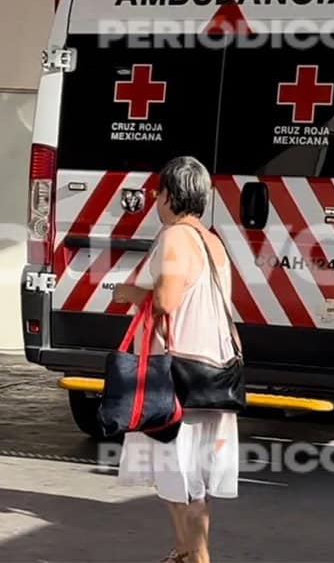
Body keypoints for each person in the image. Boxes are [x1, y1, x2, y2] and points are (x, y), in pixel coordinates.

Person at [111, 156, 239, 563]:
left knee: (176, 477)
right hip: (212, 372)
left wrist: (125, 293)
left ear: (169, 195)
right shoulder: (212, 240)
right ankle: (185, 554)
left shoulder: (173, 238)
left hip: (176, 373)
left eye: (158, 193)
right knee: (192, 483)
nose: (156, 201)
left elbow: (166, 300)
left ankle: (196, 559)